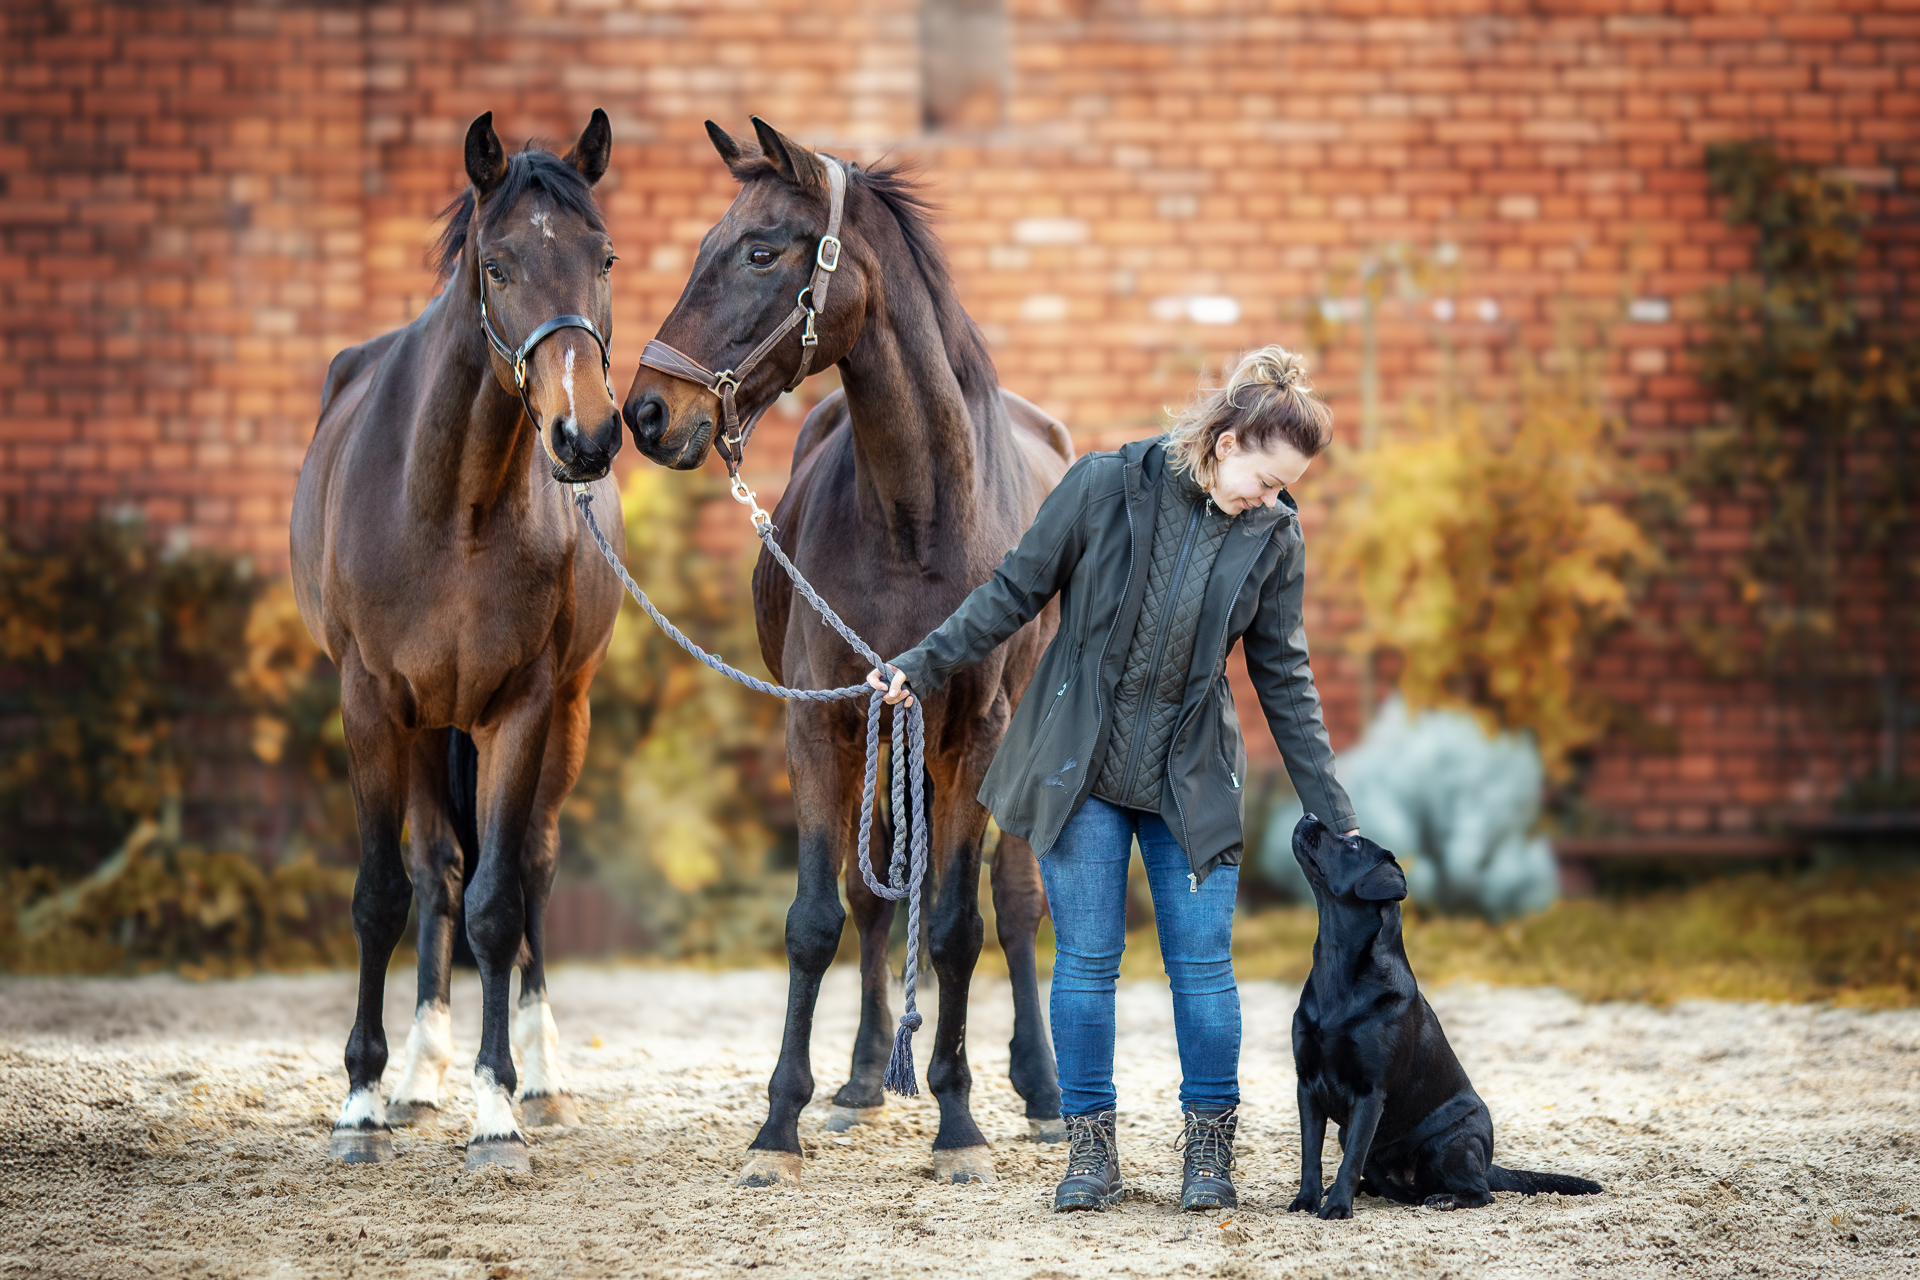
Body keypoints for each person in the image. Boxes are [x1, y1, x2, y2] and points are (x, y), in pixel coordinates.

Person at [869, 345, 1358, 1213]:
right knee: (1087, 966)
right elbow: (1014, 590)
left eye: (1286, 488)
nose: (1272, 497)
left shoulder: (1275, 538)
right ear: (1226, 439)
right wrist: (921, 663)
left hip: (1193, 785)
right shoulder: (1104, 484)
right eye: (1265, 477)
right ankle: (1090, 1153)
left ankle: (1209, 1152)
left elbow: (1285, 677)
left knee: (1204, 971)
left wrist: (1336, 814)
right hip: (1078, 770)